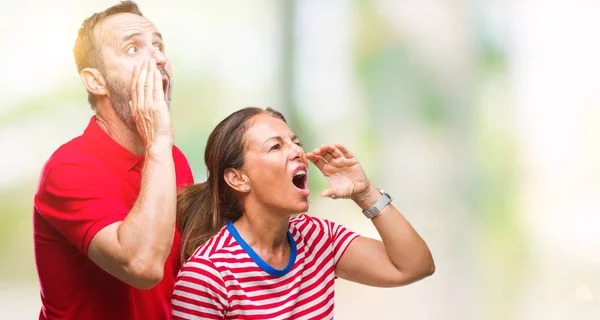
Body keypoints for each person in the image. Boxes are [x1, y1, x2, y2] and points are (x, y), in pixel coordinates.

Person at [171, 107, 435, 319]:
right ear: (238, 179)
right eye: (276, 147)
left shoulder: (315, 236)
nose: (298, 152)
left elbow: (413, 266)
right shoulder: (208, 274)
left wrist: (365, 193)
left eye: (295, 143)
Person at [33, 2, 194, 319]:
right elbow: (142, 264)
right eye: (134, 49)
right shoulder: (68, 168)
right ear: (96, 81)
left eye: (158, 45)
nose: (158, 59)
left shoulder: (173, 159)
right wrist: (159, 142)